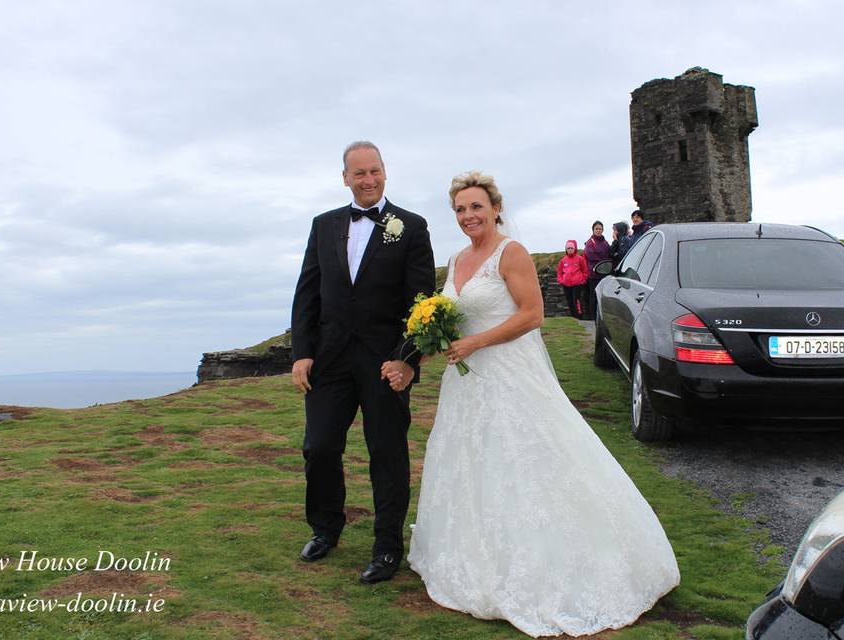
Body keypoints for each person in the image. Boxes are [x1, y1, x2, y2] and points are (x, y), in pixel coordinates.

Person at [392, 171, 680, 637]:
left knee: (526, 459)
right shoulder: (456, 259)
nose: (468, 216)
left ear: (495, 208)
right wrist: (427, 345)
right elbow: (453, 316)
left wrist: (475, 343)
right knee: (473, 462)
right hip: (466, 383)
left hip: (508, 372)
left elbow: (532, 315)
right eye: (460, 209)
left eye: (476, 207)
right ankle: (472, 555)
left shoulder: (512, 253)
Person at [289, 141, 435, 584]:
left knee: (386, 453)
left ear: (385, 172)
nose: (368, 180)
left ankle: (387, 547)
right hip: (329, 361)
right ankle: (325, 528)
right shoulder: (324, 225)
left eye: (375, 171)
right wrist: (302, 352)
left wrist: (406, 360)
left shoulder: (410, 226)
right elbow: (307, 292)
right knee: (319, 447)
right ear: (345, 178)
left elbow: (421, 301)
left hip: (384, 362)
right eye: (359, 173)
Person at [584, 221, 611, 320]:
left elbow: (609, 254)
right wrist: (603, 262)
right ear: (593, 230)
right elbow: (590, 255)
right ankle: (593, 316)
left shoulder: (605, 242)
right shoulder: (590, 242)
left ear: (603, 230)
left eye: (600, 229)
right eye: (596, 229)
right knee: (594, 295)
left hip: (605, 274)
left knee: (603, 295)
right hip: (594, 274)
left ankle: (602, 316)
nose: (598, 230)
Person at [556, 239, 588, 319]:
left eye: (571, 248)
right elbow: (559, 272)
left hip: (577, 284)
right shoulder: (563, 261)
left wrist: (582, 280)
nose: (570, 250)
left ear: (575, 249)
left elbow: (585, 271)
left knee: (576, 300)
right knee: (569, 301)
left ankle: (579, 316)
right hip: (566, 284)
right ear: (566, 249)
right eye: (568, 248)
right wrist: (561, 280)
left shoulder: (580, 259)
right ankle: (573, 317)